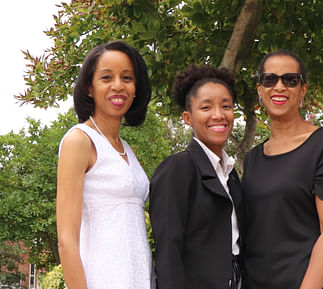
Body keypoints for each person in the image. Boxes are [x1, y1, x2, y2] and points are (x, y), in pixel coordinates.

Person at [242, 50, 323, 289]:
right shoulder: (252, 160)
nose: (279, 86)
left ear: (303, 90)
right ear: (260, 90)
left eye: (290, 80)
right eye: (270, 79)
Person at [56, 40, 154, 289]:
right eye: (107, 77)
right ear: (90, 87)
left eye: (127, 78)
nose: (118, 86)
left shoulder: (127, 149)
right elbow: (66, 239)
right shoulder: (79, 141)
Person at [149, 65, 243, 289]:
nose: (218, 115)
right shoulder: (177, 169)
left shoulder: (231, 175)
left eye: (226, 106)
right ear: (188, 118)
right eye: (206, 107)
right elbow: (168, 252)